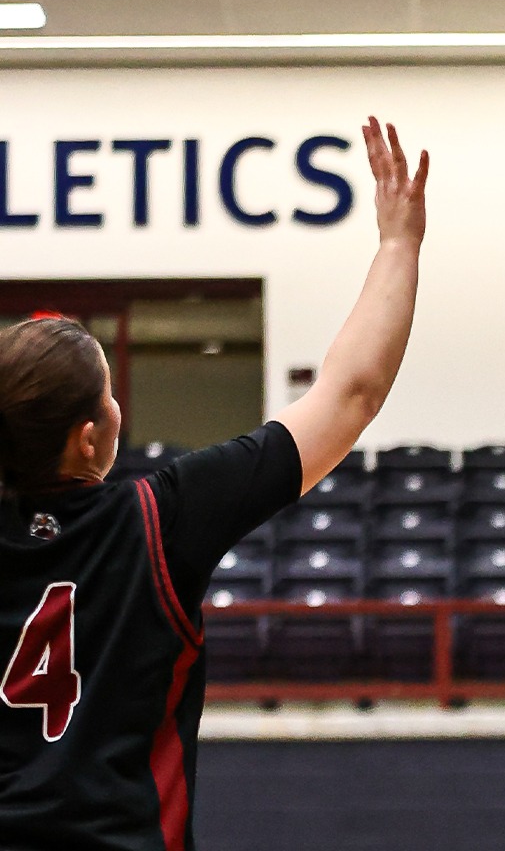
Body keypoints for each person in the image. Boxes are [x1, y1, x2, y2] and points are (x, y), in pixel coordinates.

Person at [0, 117, 428, 851]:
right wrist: (398, 245)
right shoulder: (157, 519)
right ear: (90, 435)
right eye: (109, 393)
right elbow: (349, 396)